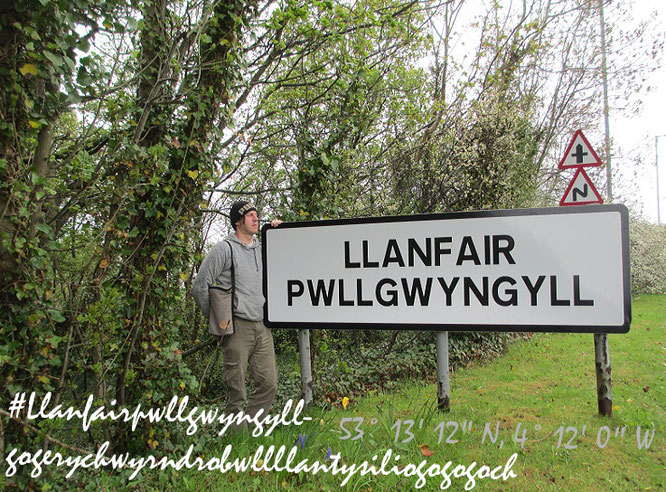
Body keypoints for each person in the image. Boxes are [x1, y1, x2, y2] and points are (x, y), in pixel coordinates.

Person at [191, 200, 280, 423]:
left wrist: (280, 233)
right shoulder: (224, 249)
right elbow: (200, 286)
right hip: (236, 327)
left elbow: (287, 257)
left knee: (269, 384)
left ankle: (249, 429)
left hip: (263, 326)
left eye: (256, 214)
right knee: (236, 391)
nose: (255, 218)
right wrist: (217, 318)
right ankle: (236, 441)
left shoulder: (263, 247)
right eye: (250, 215)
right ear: (238, 221)